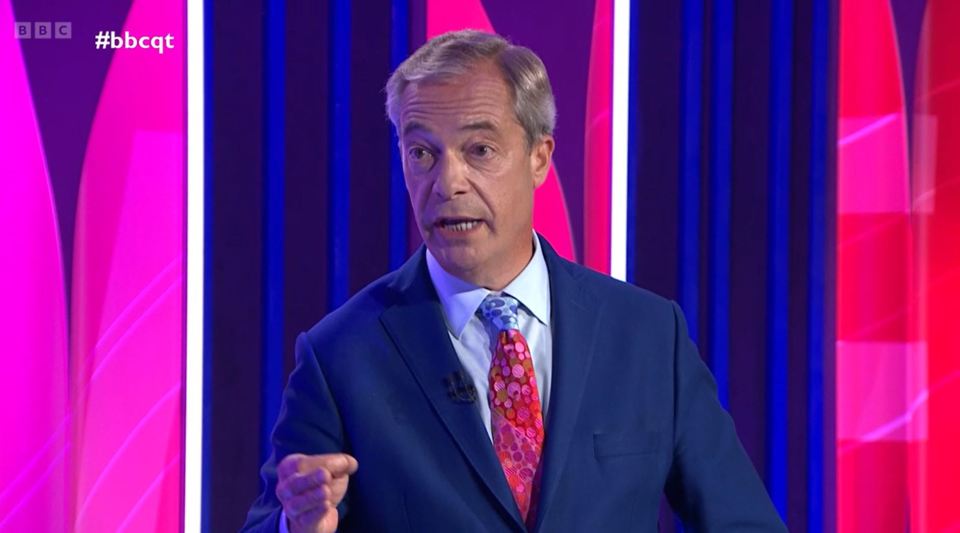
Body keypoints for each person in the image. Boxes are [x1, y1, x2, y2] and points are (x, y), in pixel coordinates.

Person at [241, 29, 786, 533]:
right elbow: (272, 521)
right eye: (422, 153)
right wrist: (297, 526)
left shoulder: (648, 335)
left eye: (479, 150)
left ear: (539, 157)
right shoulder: (340, 356)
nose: (447, 182)